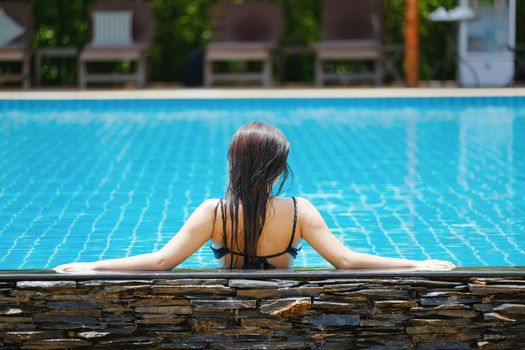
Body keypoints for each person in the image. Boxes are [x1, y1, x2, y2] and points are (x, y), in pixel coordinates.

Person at [54, 122, 455, 273]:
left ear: (234, 166)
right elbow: (346, 261)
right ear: (278, 170)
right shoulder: (299, 211)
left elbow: (161, 261)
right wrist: (416, 263)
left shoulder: (215, 212)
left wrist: (92, 266)